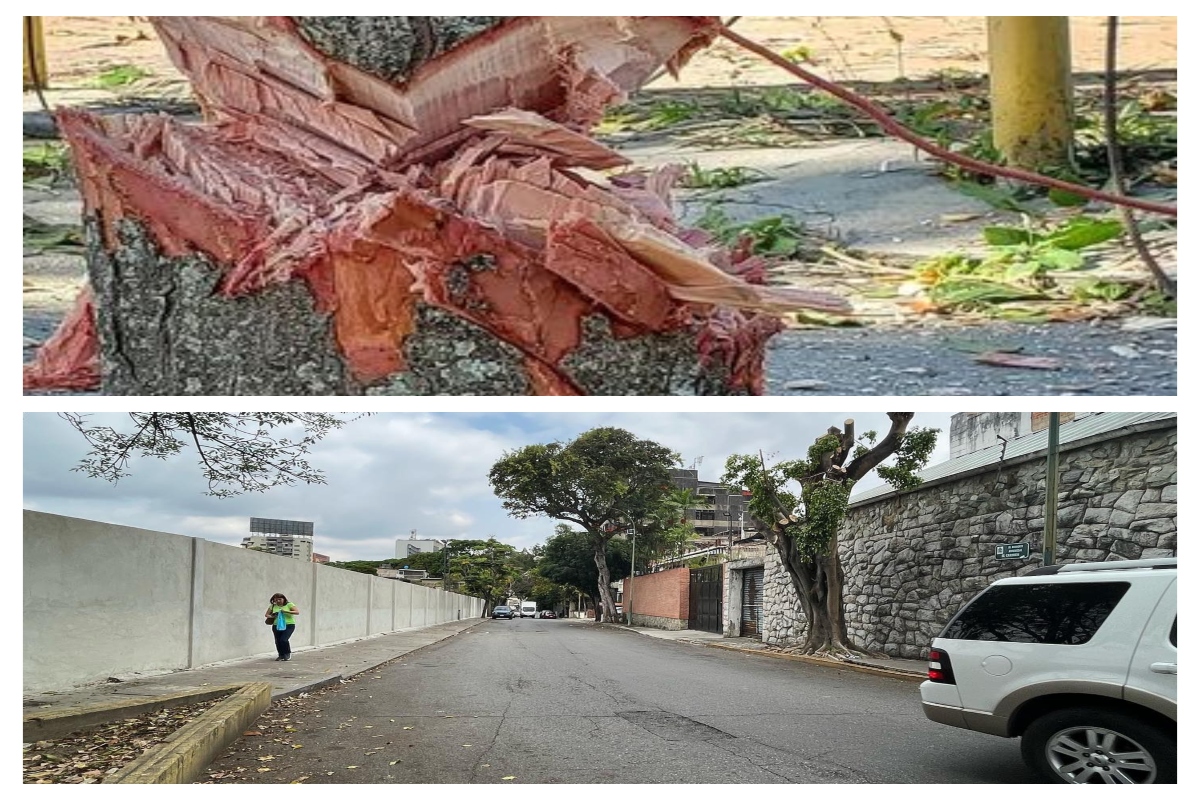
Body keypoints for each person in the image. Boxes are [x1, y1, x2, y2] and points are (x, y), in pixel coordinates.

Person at [266, 593, 299, 661]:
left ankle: (287, 654)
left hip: (289, 625)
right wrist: (272, 616)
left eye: (280, 599)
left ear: (284, 599)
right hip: (276, 625)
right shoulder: (272, 606)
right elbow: (266, 615)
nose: (278, 601)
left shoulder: (289, 604)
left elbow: (297, 612)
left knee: (283, 640)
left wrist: (286, 611)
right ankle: (281, 655)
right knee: (277, 641)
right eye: (276, 600)